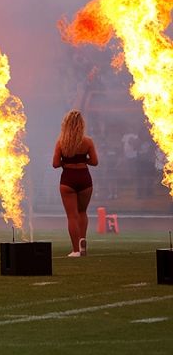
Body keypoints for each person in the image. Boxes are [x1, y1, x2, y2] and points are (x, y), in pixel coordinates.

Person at [53, 110, 98, 257]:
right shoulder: (88, 141)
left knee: (72, 216)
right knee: (82, 212)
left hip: (68, 178)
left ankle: (75, 250)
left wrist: (67, 161)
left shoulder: (61, 142)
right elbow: (94, 162)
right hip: (84, 177)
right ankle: (82, 240)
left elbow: (55, 164)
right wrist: (83, 160)